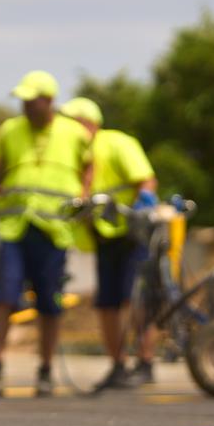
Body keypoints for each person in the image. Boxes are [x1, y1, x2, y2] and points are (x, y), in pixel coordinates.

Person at [0, 71, 93, 397]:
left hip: (54, 232)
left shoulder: (74, 132)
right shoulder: (9, 130)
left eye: (32, 100)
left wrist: (84, 194)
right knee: (4, 298)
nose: (25, 106)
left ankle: (45, 369)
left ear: (49, 100)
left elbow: (89, 166)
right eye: (23, 100)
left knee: (49, 304)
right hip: (15, 229)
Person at [60, 97, 159, 390]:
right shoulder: (75, 155)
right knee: (107, 303)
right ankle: (118, 364)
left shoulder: (116, 142)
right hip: (102, 236)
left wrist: (142, 208)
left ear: (88, 123)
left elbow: (146, 180)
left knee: (135, 299)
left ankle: (146, 361)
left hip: (131, 234)